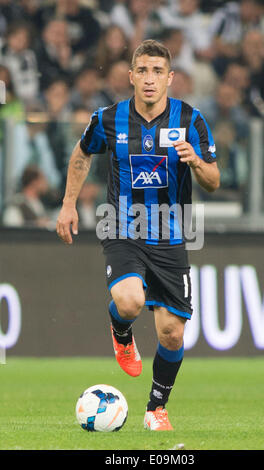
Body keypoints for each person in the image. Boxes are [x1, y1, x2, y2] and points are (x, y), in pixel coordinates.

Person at [56, 40, 220, 431]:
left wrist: (196, 161)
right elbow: (82, 154)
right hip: (122, 224)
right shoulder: (109, 118)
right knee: (129, 301)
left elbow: (213, 180)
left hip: (172, 231)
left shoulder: (191, 120)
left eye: (157, 72)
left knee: (173, 333)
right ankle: (121, 330)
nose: (149, 79)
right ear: (131, 77)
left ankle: (156, 408)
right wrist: (67, 204)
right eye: (142, 71)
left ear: (170, 78)